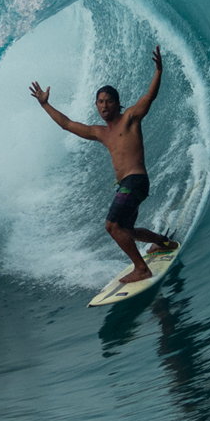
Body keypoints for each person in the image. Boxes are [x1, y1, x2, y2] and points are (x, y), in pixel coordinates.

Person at [30, 46, 180, 284]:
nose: (104, 106)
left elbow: (148, 98)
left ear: (118, 103)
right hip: (128, 185)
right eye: (100, 102)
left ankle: (141, 268)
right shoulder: (99, 132)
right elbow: (67, 124)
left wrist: (159, 72)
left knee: (112, 226)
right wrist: (45, 105)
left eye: (109, 101)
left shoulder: (130, 118)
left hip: (135, 180)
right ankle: (164, 242)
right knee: (126, 231)